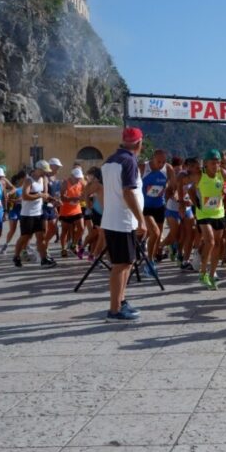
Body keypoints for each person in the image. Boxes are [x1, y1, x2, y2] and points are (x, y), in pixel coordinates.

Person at [102, 127, 147, 321]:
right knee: (121, 265)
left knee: (127, 262)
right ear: (139, 143)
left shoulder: (110, 160)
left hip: (114, 218)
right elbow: (128, 192)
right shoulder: (129, 161)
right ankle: (114, 309)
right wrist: (142, 220)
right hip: (123, 220)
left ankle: (120, 301)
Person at [186, 149, 226, 290]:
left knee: (218, 244)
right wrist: (194, 201)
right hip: (203, 214)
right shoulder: (199, 175)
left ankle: (212, 273)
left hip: (218, 213)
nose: (216, 165)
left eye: (218, 162)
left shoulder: (222, 173)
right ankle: (203, 272)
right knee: (210, 241)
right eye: (213, 163)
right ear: (206, 163)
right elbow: (188, 187)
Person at [13, 160, 54, 268]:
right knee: (25, 238)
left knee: (41, 237)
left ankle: (44, 259)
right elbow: (25, 196)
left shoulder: (44, 179)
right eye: (44, 171)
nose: (46, 173)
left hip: (39, 213)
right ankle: (16, 256)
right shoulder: (29, 180)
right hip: (27, 214)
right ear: (38, 169)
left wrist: (53, 200)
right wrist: (40, 196)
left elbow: (45, 195)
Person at [141, 149, 173, 272]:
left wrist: (170, 193)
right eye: (159, 161)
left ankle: (152, 258)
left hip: (159, 206)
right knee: (154, 232)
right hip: (145, 207)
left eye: (163, 162)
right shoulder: (143, 168)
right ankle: (149, 261)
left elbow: (173, 185)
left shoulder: (167, 168)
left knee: (157, 234)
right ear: (152, 158)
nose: (161, 164)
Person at [58, 167, 86, 257]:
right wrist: (73, 198)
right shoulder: (65, 183)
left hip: (76, 209)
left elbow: (86, 192)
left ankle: (74, 244)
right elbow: (62, 197)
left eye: (79, 178)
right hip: (66, 210)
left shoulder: (81, 182)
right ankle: (63, 249)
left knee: (81, 228)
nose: (78, 179)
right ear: (72, 176)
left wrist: (84, 196)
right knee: (64, 230)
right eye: (76, 178)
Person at [0, 170, 26, 255]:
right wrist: (6, 212)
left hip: (23, 209)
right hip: (13, 210)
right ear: (22, 178)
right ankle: (6, 245)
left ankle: (24, 247)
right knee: (12, 229)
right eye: (26, 178)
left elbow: (24, 198)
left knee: (24, 229)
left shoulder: (26, 187)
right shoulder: (14, 188)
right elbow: (7, 200)